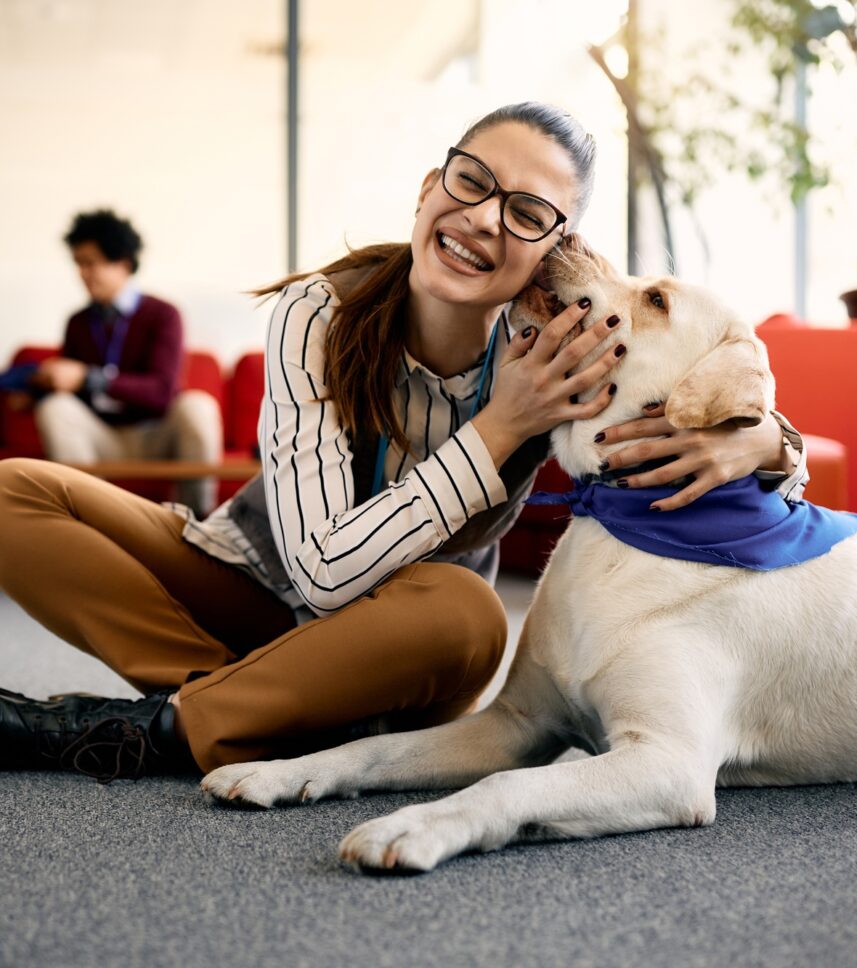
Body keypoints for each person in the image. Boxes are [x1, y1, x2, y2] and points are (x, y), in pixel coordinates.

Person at [0, 103, 807, 783]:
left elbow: (704, 381)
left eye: (527, 213)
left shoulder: (561, 347)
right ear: (431, 189)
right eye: (471, 182)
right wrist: (502, 426)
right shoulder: (318, 313)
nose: (485, 218)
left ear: (553, 250)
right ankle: (238, 712)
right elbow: (318, 575)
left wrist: (768, 444)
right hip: (248, 580)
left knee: (469, 614)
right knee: (14, 492)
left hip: (402, 642)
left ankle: (185, 723)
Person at [31, 209, 222, 516]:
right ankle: (90, 521)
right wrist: (38, 390)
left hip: (156, 432)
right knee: (54, 408)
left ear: (123, 263)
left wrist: (88, 377)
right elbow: (73, 395)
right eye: (79, 264)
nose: (83, 273)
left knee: (199, 406)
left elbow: (162, 392)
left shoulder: (163, 315)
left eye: (91, 263)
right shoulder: (78, 322)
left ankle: (199, 526)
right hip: (102, 435)